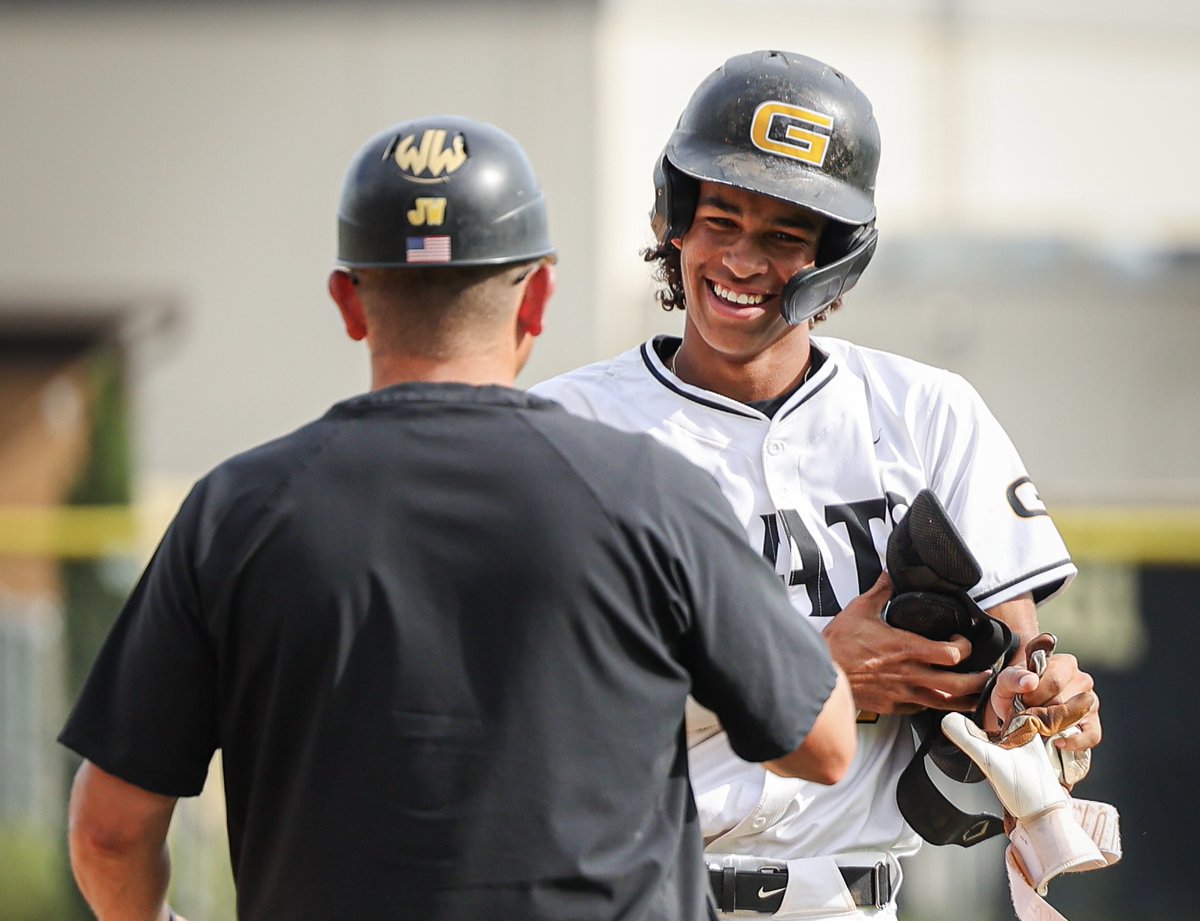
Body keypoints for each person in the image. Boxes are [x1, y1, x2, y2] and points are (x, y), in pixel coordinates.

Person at [58, 115, 858, 921]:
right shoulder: (645, 488)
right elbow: (823, 745)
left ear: (348, 299)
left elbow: (108, 834)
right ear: (539, 295)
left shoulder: (235, 513)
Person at [531, 50, 1102, 920]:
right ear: (674, 220)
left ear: (836, 259)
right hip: (637, 891)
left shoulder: (927, 411)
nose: (743, 259)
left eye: (785, 237)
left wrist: (1040, 706)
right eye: (721, 218)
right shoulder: (565, 426)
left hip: (852, 900)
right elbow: (529, 700)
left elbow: (1015, 665)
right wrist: (809, 672)